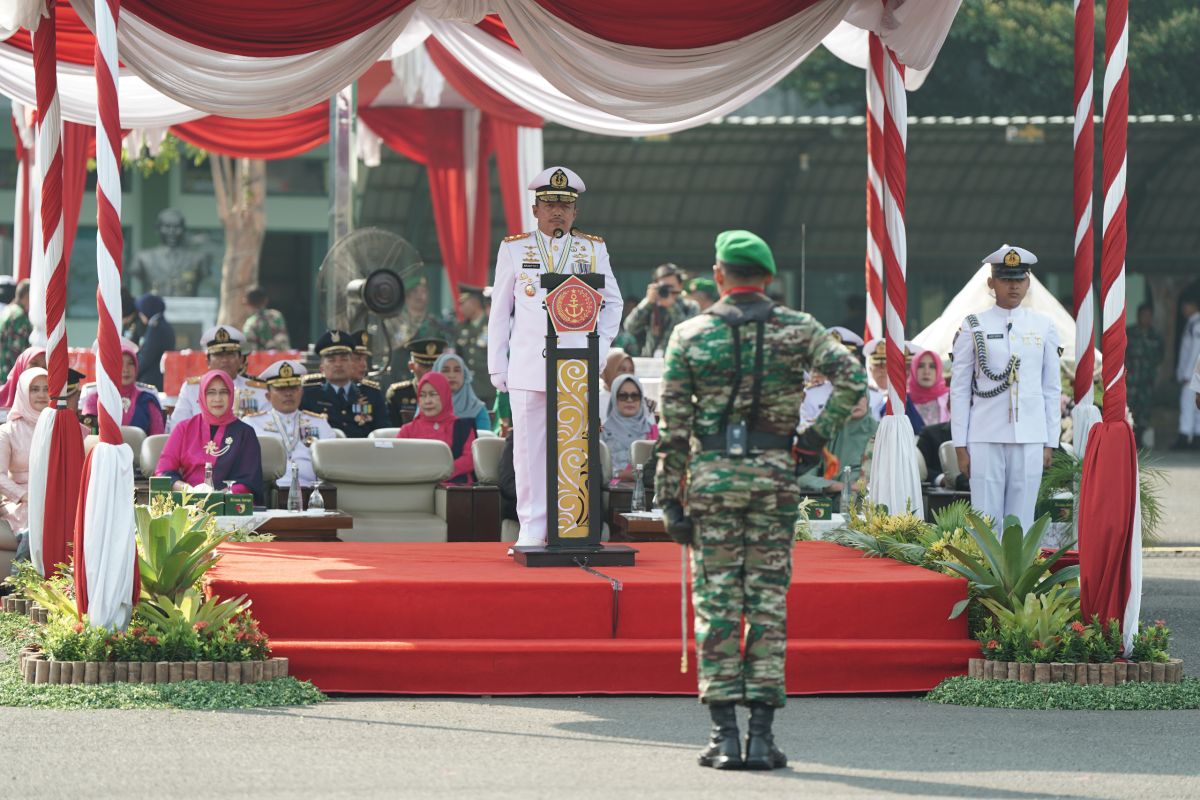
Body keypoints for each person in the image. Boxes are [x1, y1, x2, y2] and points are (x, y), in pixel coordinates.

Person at [655, 230, 865, 771]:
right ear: (769, 279)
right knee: (766, 605)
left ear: (720, 275)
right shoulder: (800, 329)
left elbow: (673, 427)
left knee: (718, 604)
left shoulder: (690, 333)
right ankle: (764, 739)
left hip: (713, 482)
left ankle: (724, 737)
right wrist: (813, 445)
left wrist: (668, 500)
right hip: (774, 479)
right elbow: (852, 378)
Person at [487, 166, 623, 548]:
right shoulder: (514, 249)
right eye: (549, 203)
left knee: (574, 447)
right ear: (535, 209)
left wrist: (599, 350)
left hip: (577, 367)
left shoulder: (593, 249)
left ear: (575, 211)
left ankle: (574, 522)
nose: (557, 211)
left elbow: (613, 303)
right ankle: (532, 525)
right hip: (529, 365)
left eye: (565, 204)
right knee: (528, 450)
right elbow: (500, 312)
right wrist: (498, 365)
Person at [950, 245, 1060, 531]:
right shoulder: (974, 325)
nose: (1014, 285)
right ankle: (986, 573)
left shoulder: (1044, 326)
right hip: (985, 432)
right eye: (1006, 279)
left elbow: (1051, 387)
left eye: (1020, 279)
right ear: (991, 282)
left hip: (1030, 434)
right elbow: (960, 389)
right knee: (985, 515)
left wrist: (1051, 441)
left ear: (1028, 282)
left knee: (1022, 514)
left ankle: (1018, 574)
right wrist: (960, 445)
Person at [156, 370, 264, 503]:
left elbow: (250, 481)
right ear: (202, 395)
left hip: (230, 505)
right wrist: (188, 490)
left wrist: (218, 496)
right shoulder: (184, 428)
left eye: (223, 392)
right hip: (187, 503)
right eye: (211, 392)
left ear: (231, 395)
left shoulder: (245, 433)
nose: (217, 398)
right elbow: (164, 471)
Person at [244, 359, 335, 489]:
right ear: (268, 396)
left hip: (311, 490)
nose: (288, 393)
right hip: (267, 491)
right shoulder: (252, 423)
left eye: (293, 388)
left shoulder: (319, 423)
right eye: (281, 388)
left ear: (301, 392)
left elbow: (331, 463)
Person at [168, 325, 266, 431]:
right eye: (218, 355)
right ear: (208, 361)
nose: (224, 360)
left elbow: (266, 431)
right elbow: (177, 427)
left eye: (230, 354)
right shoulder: (191, 388)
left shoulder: (259, 390)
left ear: (241, 360)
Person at [301, 330, 391, 438]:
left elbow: (383, 434)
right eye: (331, 360)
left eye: (344, 359)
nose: (338, 364)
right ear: (322, 368)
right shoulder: (309, 396)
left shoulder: (372, 394)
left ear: (351, 364)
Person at [0, 368, 60, 530]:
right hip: (22, 501)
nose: (41, 395)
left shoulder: (61, 427)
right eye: (34, 389)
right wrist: (25, 496)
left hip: (57, 495)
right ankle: (24, 556)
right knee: (35, 518)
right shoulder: (8, 431)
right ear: (23, 393)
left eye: (46, 389)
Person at [397, 372, 476, 484]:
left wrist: (439, 473)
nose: (427, 401)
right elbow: (398, 460)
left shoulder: (463, 427)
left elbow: (470, 460)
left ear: (445, 395)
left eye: (433, 394)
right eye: (422, 395)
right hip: (416, 487)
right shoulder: (407, 430)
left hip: (455, 491)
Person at [80, 339, 165, 435]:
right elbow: (88, 439)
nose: (125, 370)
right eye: (120, 363)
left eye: (130, 363)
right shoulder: (94, 400)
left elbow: (156, 442)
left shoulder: (147, 400)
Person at [798, 395, 877, 494]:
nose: (857, 402)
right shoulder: (826, 433)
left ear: (868, 399)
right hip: (831, 503)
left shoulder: (881, 433)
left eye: (861, 396)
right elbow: (802, 477)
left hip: (869, 503)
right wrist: (837, 486)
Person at [622, 262, 699, 357]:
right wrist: (647, 302)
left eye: (670, 287)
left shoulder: (690, 306)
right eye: (663, 287)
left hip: (678, 363)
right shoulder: (651, 306)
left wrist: (672, 306)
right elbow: (629, 327)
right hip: (650, 363)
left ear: (680, 286)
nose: (666, 291)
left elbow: (688, 334)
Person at [129, 208, 211, 297]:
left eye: (177, 227)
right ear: (157, 229)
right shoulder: (142, 258)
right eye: (167, 227)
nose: (172, 232)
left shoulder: (198, 258)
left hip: (188, 307)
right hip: (154, 307)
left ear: (184, 230)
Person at [602, 374, 658, 484]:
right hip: (611, 494)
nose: (629, 400)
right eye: (623, 396)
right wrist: (618, 474)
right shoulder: (602, 430)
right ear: (614, 398)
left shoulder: (651, 430)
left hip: (645, 491)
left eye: (635, 395)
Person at [390, 276, 448, 381]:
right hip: (399, 378)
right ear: (407, 296)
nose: (419, 296)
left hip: (429, 380)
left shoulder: (436, 325)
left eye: (423, 291)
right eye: (414, 292)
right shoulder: (394, 323)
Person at [385, 337, 447, 425]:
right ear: (411, 366)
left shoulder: (451, 394)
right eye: (424, 367)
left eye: (435, 366)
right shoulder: (398, 394)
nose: (430, 371)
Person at [1126, 304, 1163, 447]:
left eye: (1148, 316)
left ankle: (1139, 440)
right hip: (1131, 381)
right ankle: (1130, 440)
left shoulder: (1156, 336)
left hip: (1146, 381)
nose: (1146, 318)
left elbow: (1160, 356)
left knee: (1144, 412)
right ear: (1138, 316)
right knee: (1130, 410)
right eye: (1143, 315)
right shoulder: (1130, 333)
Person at [453, 285, 495, 408]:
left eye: (463, 303)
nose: (460, 308)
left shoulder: (492, 325)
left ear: (474, 302)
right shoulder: (461, 328)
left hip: (489, 389)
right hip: (468, 389)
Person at [433, 352, 491, 431]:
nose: (452, 375)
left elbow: (483, 441)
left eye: (457, 370)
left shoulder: (476, 409)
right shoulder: (427, 405)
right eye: (445, 370)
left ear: (465, 376)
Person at [1172, 298, 1200, 450]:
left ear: (1194, 305)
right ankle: (1195, 438)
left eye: (1186, 305)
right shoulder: (1192, 323)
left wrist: (1189, 374)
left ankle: (1184, 437)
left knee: (1188, 405)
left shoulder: (1196, 325)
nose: (1184, 308)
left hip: (1193, 375)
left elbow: (1196, 351)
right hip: (1195, 374)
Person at [135, 293, 174, 391]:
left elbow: (147, 355)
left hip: (152, 380)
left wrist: (134, 371)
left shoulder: (155, 328)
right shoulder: (162, 325)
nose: (140, 315)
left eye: (141, 311)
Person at [908, 349, 951, 428]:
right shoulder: (902, 401)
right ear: (913, 369)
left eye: (932, 366)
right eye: (920, 366)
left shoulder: (951, 398)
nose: (926, 371)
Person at [0, 279, 32, 377]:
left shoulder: (7, 310)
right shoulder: (20, 317)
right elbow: (17, 352)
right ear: (27, 296)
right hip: (11, 375)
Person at [0, 345, 46, 414]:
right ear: (21, 366)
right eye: (34, 364)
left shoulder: (50, 401)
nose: (39, 369)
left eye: (45, 367)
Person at [242, 286, 291, 351]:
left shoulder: (250, 323)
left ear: (248, 303)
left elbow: (249, 350)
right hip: (282, 358)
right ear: (265, 300)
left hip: (261, 360)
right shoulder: (277, 316)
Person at [599, 348, 636, 416]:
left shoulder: (637, 400)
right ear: (609, 371)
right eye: (622, 370)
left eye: (631, 370)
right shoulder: (595, 402)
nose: (628, 375)